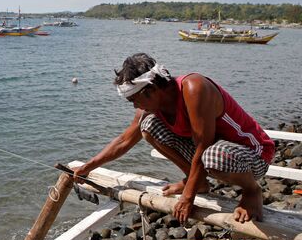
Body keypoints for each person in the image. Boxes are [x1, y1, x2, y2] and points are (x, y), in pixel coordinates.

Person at [72, 53, 274, 224]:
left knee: (213, 155)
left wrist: (187, 198)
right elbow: (124, 140)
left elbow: (203, 147)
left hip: (254, 155)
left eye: (134, 99)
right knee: (148, 126)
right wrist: (88, 166)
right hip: (214, 155)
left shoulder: (194, 88)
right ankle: (198, 181)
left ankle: (252, 191)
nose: (135, 106)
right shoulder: (150, 107)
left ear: (151, 90)